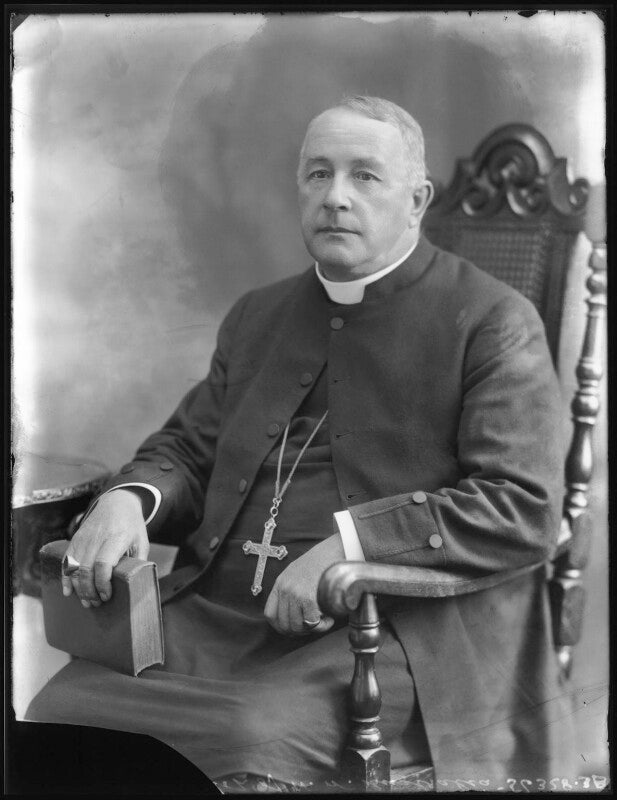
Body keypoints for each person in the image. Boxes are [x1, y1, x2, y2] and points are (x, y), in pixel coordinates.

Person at [26, 96, 575, 790]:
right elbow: (189, 450)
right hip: (219, 615)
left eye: (364, 176)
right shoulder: (259, 315)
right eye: (318, 174)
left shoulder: (494, 321)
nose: (335, 196)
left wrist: (351, 545)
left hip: (386, 630)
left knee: (243, 738)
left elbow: (522, 505)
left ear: (417, 201)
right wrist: (128, 499)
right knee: (59, 710)